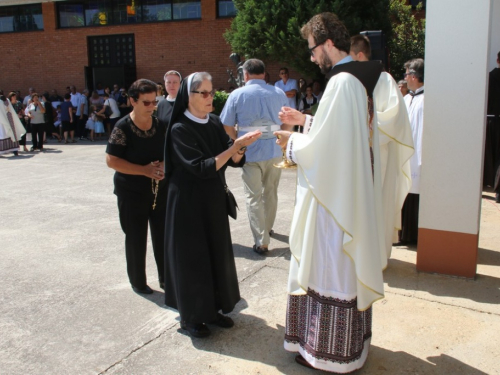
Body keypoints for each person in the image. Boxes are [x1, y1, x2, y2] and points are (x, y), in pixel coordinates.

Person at [274, 12, 412, 372]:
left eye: (312, 49)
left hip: (335, 200)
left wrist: (292, 142)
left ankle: (326, 354)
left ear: (328, 44)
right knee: (342, 269)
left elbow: (328, 147)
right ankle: (351, 346)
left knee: (329, 266)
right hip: (353, 188)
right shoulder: (361, 78)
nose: (311, 57)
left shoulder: (339, 83)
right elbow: (346, 132)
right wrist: (307, 123)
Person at [163, 72, 261, 338]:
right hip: (188, 203)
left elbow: (232, 158)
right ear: (189, 96)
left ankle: (214, 309)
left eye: (212, 91)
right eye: (203, 93)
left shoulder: (214, 122)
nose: (210, 98)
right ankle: (191, 318)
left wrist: (240, 147)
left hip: (212, 200)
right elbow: (200, 167)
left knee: (215, 255)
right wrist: (233, 148)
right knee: (193, 260)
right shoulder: (179, 128)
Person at [220, 59, 290, 255]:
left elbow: (226, 124)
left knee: (253, 196)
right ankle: (267, 228)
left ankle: (261, 241)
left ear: (245, 75)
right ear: (264, 73)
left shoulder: (237, 94)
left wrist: (238, 142)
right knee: (271, 193)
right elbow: (288, 121)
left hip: (249, 152)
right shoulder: (278, 93)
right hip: (274, 150)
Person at [106, 79, 165, 295]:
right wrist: (144, 170)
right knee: (135, 238)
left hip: (159, 192)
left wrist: (164, 165)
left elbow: (171, 152)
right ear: (132, 101)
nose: (151, 107)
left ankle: (166, 278)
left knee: (162, 236)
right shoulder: (122, 127)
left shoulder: (160, 125)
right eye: (146, 103)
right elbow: (112, 160)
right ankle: (138, 281)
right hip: (131, 192)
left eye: (154, 102)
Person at [399, 58, 424, 244]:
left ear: (414, 76)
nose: (405, 78)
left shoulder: (426, 100)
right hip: (403, 156)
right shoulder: (407, 98)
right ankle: (402, 234)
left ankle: (414, 236)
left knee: (416, 193)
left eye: (406, 74)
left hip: (418, 156)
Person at [486, 52, 500, 202]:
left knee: (489, 155)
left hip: (490, 121)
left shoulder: (489, 77)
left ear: (497, 60)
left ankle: (487, 184)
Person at [0, 91, 25, 156]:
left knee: (3, 135)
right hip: (10, 119)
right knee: (12, 134)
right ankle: (14, 150)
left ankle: (2, 151)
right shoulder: (7, 100)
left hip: (2, 121)